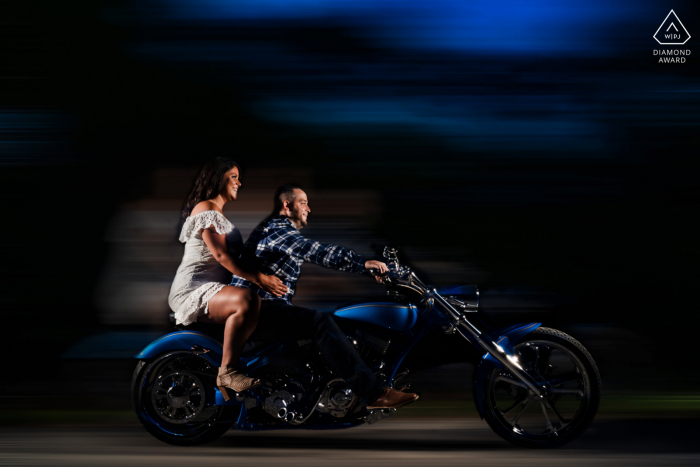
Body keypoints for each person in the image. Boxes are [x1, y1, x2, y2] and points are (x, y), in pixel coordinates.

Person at [230, 184, 419, 409]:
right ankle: (373, 393)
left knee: (336, 322)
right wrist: (362, 263)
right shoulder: (277, 229)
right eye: (303, 202)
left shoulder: (282, 233)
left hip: (268, 307)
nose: (309, 208)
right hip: (257, 310)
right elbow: (315, 250)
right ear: (286, 205)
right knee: (319, 322)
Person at [168, 158, 287, 400]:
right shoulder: (206, 208)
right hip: (193, 289)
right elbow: (221, 255)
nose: (239, 182)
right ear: (217, 178)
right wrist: (260, 279)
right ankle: (228, 373)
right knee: (246, 300)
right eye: (233, 176)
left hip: (214, 288)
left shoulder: (217, 213)